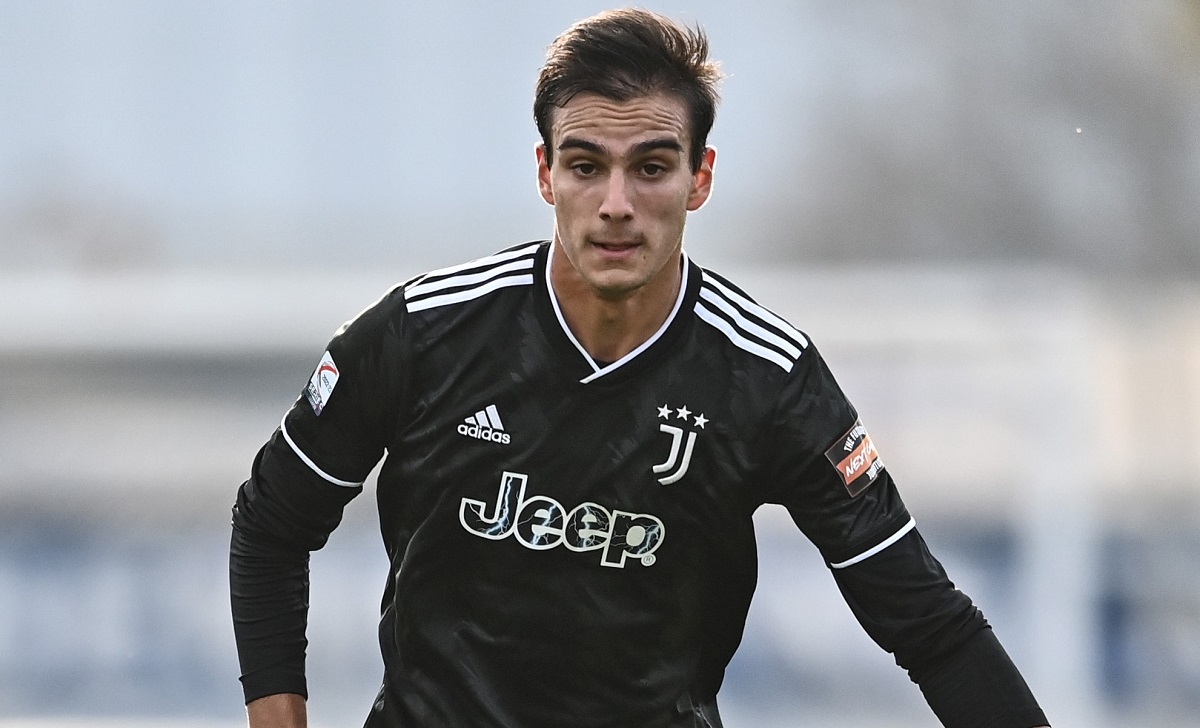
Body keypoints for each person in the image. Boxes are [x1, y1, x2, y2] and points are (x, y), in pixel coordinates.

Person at [230, 8, 1051, 728]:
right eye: (586, 166)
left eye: (651, 167)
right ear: (546, 174)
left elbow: (928, 624)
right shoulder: (425, 332)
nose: (616, 204)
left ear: (700, 178)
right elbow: (271, 524)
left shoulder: (766, 378)